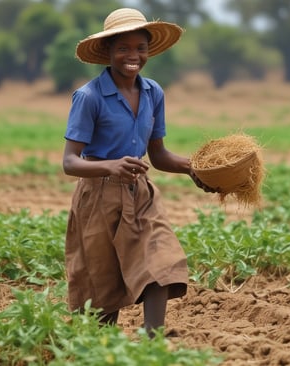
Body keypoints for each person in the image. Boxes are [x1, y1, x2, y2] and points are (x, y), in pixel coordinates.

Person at [62, 8, 216, 338]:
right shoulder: (89, 97)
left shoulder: (153, 93)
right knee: (102, 286)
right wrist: (111, 165)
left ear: (149, 51)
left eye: (140, 48)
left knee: (162, 260)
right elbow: (70, 163)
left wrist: (195, 169)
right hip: (98, 196)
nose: (133, 56)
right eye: (124, 48)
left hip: (140, 194)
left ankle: (152, 340)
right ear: (108, 52)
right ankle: (105, 350)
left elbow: (158, 154)